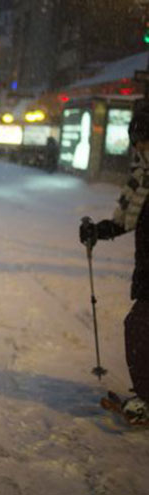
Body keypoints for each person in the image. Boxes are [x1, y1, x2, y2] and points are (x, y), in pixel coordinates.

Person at [79, 104, 149, 424]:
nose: (139, 147)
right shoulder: (143, 177)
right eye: (136, 141)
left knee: (138, 328)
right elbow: (128, 221)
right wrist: (99, 231)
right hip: (146, 270)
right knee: (139, 329)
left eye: (143, 141)